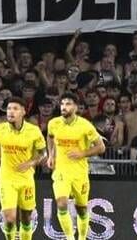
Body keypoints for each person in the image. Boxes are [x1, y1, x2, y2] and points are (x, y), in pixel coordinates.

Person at [46, 91, 105, 240]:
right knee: (61, 203)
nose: (64, 107)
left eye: (68, 104)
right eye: (62, 104)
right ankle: (70, 238)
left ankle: (82, 237)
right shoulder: (54, 123)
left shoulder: (85, 126)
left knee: (82, 209)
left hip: (79, 172)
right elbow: (50, 137)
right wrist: (51, 155)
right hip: (61, 171)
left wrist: (82, 153)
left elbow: (101, 147)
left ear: (76, 107)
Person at [0, 97, 47, 240]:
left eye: (15, 109)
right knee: (9, 218)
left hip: (26, 179)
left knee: (26, 218)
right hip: (7, 179)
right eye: (9, 108)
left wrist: (31, 163)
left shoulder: (34, 131)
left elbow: (42, 153)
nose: (11, 112)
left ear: (23, 111)